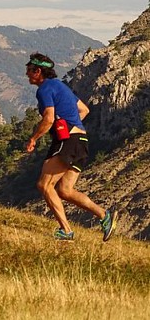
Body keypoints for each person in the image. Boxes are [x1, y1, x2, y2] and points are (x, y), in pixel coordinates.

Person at [24, 52, 117, 242]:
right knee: (65, 190)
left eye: (29, 71)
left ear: (38, 71)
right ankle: (104, 216)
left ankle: (66, 231)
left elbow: (48, 119)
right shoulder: (60, 86)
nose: (27, 74)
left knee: (44, 184)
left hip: (68, 142)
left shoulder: (44, 89)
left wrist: (34, 138)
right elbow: (84, 109)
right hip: (81, 142)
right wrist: (71, 124)